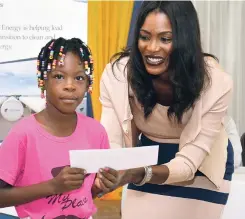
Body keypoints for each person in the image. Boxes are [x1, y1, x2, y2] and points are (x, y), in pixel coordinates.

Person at [100, 1, 234, 219]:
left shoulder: (215, 81)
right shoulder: (118, 75)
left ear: (185, 40)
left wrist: (139, 173)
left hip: (202, 165)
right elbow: (112, 140)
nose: (152, 48)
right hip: (147, 157)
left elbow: (188, 165)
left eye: (165, 39)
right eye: (144, 37)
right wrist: (112, 170)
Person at [0, 37, 119, 219]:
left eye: (79, 78)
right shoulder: (23, 133)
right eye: (59, 76)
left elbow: (87, 193)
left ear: (88, 84)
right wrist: (53, 186)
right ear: (43, 81)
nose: (70, 86)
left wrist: (101, 186)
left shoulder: (96, 132)